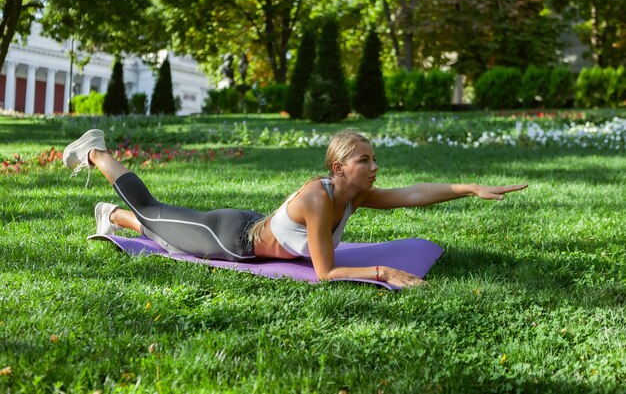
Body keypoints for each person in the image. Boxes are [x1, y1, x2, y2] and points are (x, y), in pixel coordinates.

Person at [63, 128, 527, 288]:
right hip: (231, 240)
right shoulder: (318, 198)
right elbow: (324, 274)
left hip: (248, 223)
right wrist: (383, 271)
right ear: (338, 167)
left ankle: (111, 217)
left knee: (162, 230)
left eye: (373, 158)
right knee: (152, 210)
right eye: (364, 160)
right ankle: (96, 152)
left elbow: (414, 194)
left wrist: (469, 188)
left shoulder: (354, 194)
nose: (374, 167)